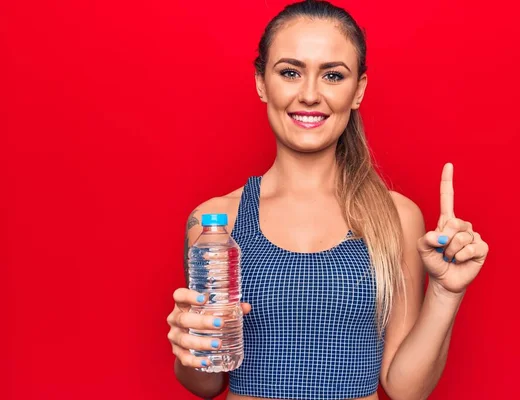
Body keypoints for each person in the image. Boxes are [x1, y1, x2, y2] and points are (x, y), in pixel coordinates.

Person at [166, 1, 490, 399]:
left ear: (359, 90)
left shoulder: (396, 217)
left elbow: (406, 389)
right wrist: (189, 349)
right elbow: (205, 383)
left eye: (333, 75)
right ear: (261, 83)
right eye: (290, 72)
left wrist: (446, 292)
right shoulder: (215, 222)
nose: (309, 94)